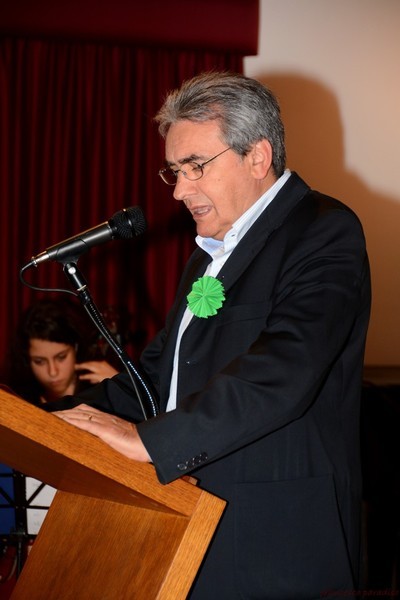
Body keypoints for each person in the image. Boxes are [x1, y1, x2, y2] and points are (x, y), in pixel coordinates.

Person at [48, 72, 371, 599]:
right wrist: (44, 419)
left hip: (275, 543)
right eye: (175, 171)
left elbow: (283, 370)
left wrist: (149, 442)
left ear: (258, 157)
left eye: (196, 166)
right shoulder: (208, 254)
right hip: (192, 524)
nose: (180, 191)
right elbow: (157, 377)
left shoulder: (323, 231)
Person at [6, 298, 119, 406]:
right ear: (27, 359)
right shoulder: (18, 399)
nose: (53, 372)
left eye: (61, 357)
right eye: (39, 362)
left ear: (76, 348)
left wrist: (121, 388)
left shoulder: (101, 392)